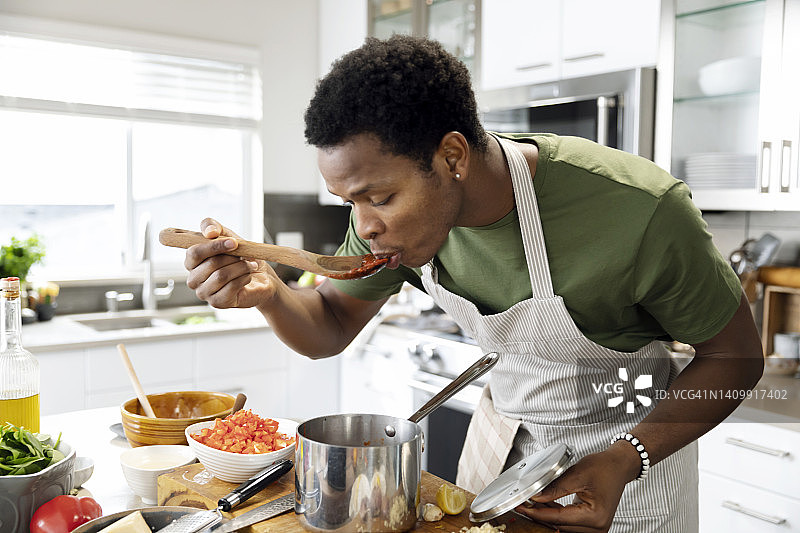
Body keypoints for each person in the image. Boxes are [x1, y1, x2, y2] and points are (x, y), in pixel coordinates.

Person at [183, 35, 763, 533]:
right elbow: (330, 326)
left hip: (628, 465)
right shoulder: (387, 228)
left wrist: (626, 457)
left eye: (379, 197)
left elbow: (735, 357)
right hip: (501, 450)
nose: (364, 225)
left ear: (452, 156)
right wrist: (270, 295)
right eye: (349, 202)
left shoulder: (639, 210)